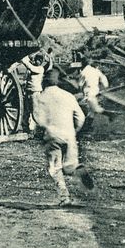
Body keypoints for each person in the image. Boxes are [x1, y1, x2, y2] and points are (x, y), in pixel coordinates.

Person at [32, 69, 94, 206]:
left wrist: (44, 129)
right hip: (69, 134)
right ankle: (80, 171)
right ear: (57, 82)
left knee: (55, 168)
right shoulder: (68, 96)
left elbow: (38, 119)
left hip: (52, 136)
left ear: (44, 81)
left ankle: (64, 197)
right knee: (70, 165)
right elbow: (81, 117)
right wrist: (75, 131)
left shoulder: (40, 98)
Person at [78, 57, 109, 127]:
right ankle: (88, 126)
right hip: (96, 90)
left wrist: (80, 90)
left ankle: (109, 114)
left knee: (94, 108)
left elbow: (79, 85)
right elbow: (104, 79)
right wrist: (105, 88)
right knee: (91, 109)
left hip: (88, 91)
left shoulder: (83, 72)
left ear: (83, 63)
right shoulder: (96, 71)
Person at [21, 52, 46, 132]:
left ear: (41, 62)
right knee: (26, 112)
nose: (37, 62)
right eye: (36, 60)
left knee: (35, 112)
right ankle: (25, 128)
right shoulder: (32, 68)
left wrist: (24, 60)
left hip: (35, 93)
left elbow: (31, 68)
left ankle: (40, 129)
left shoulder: (40, 69)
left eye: (39, 60)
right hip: (28, 92)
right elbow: (26, 78)